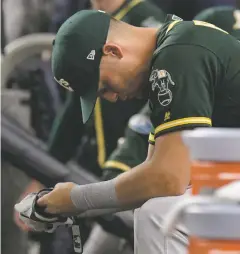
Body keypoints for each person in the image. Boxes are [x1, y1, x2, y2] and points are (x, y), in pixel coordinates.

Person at [29, 9, 240, 253]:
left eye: (104, 86)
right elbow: (154, 174)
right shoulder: (174, 46)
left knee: (158, 216)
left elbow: (167, 179)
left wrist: (76, 199)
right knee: (157, 206)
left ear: (112, 51)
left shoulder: (177, 53)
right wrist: (67, 204)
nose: (111, 97)